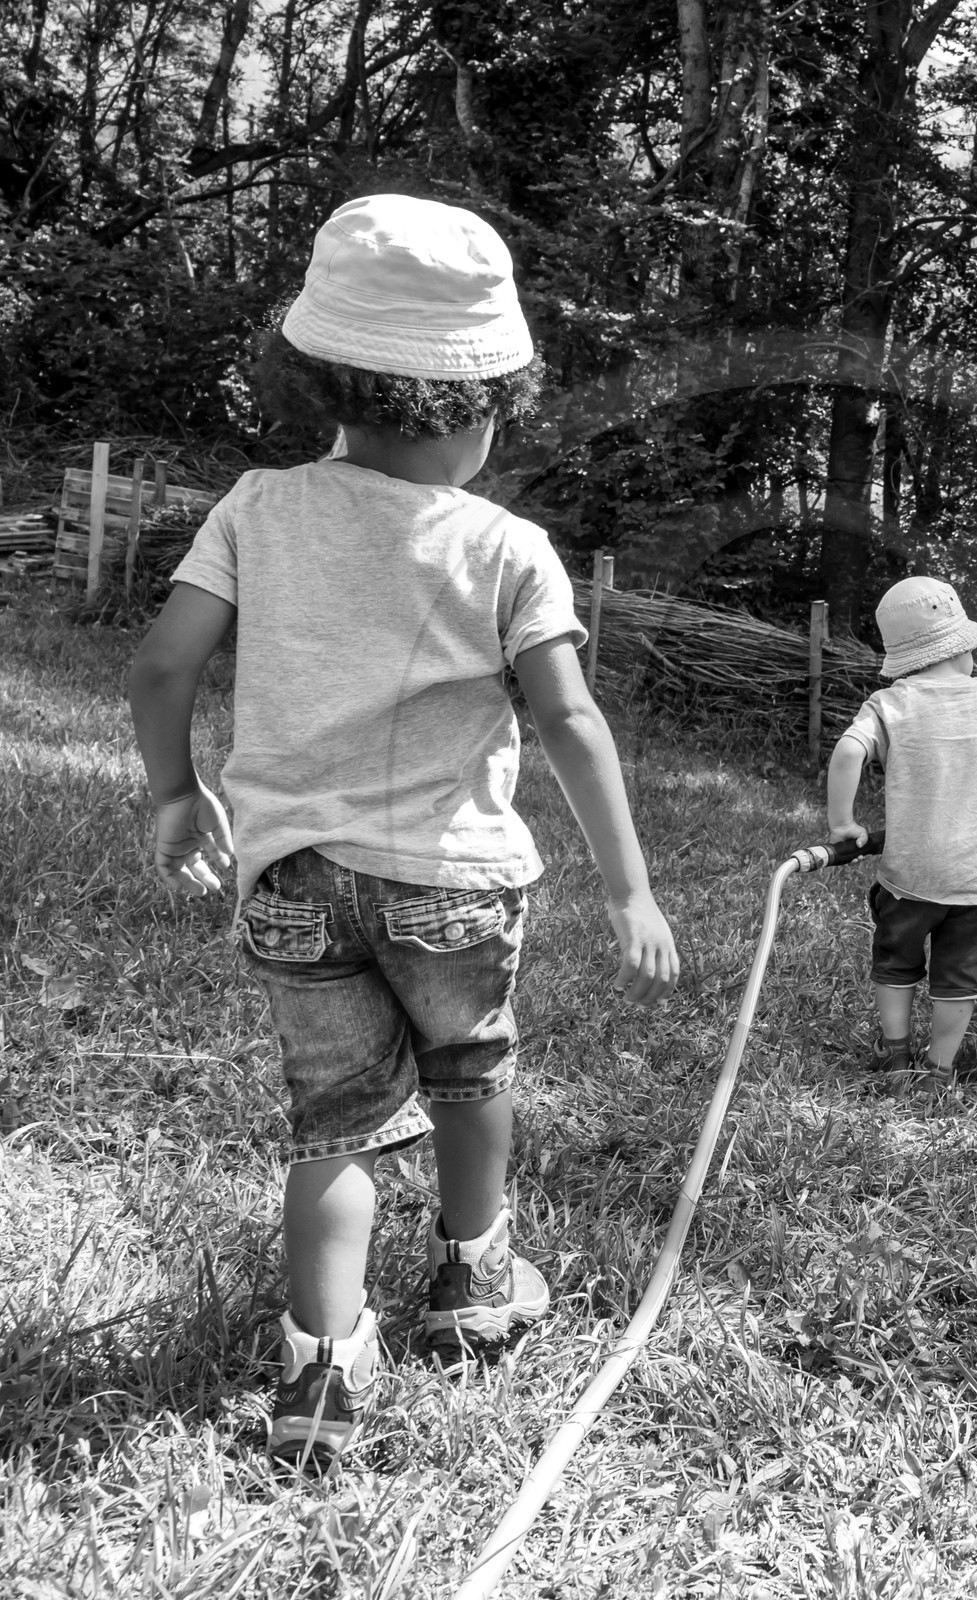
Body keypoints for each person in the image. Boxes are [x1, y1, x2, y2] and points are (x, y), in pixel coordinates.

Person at [126, 194, 678, 1472]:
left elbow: (161, 670)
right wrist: (630, 886)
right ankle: (476, 1277)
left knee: (335, 1120)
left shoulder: (259, 506)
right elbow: (571, 723)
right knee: (470, 1070)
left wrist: (175, 790)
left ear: (322, 375)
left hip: (293, 880)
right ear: (486, 404)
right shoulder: (507, 546)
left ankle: (321, 1364)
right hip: (454, 883)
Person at [827, 577, 977, 1089]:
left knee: (896, 961)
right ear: (962, 647)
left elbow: (849, 752)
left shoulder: (889, 702)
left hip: (909, 873)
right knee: (958, 979)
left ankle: (897, 1056)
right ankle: (940, 1067)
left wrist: (842, 825)